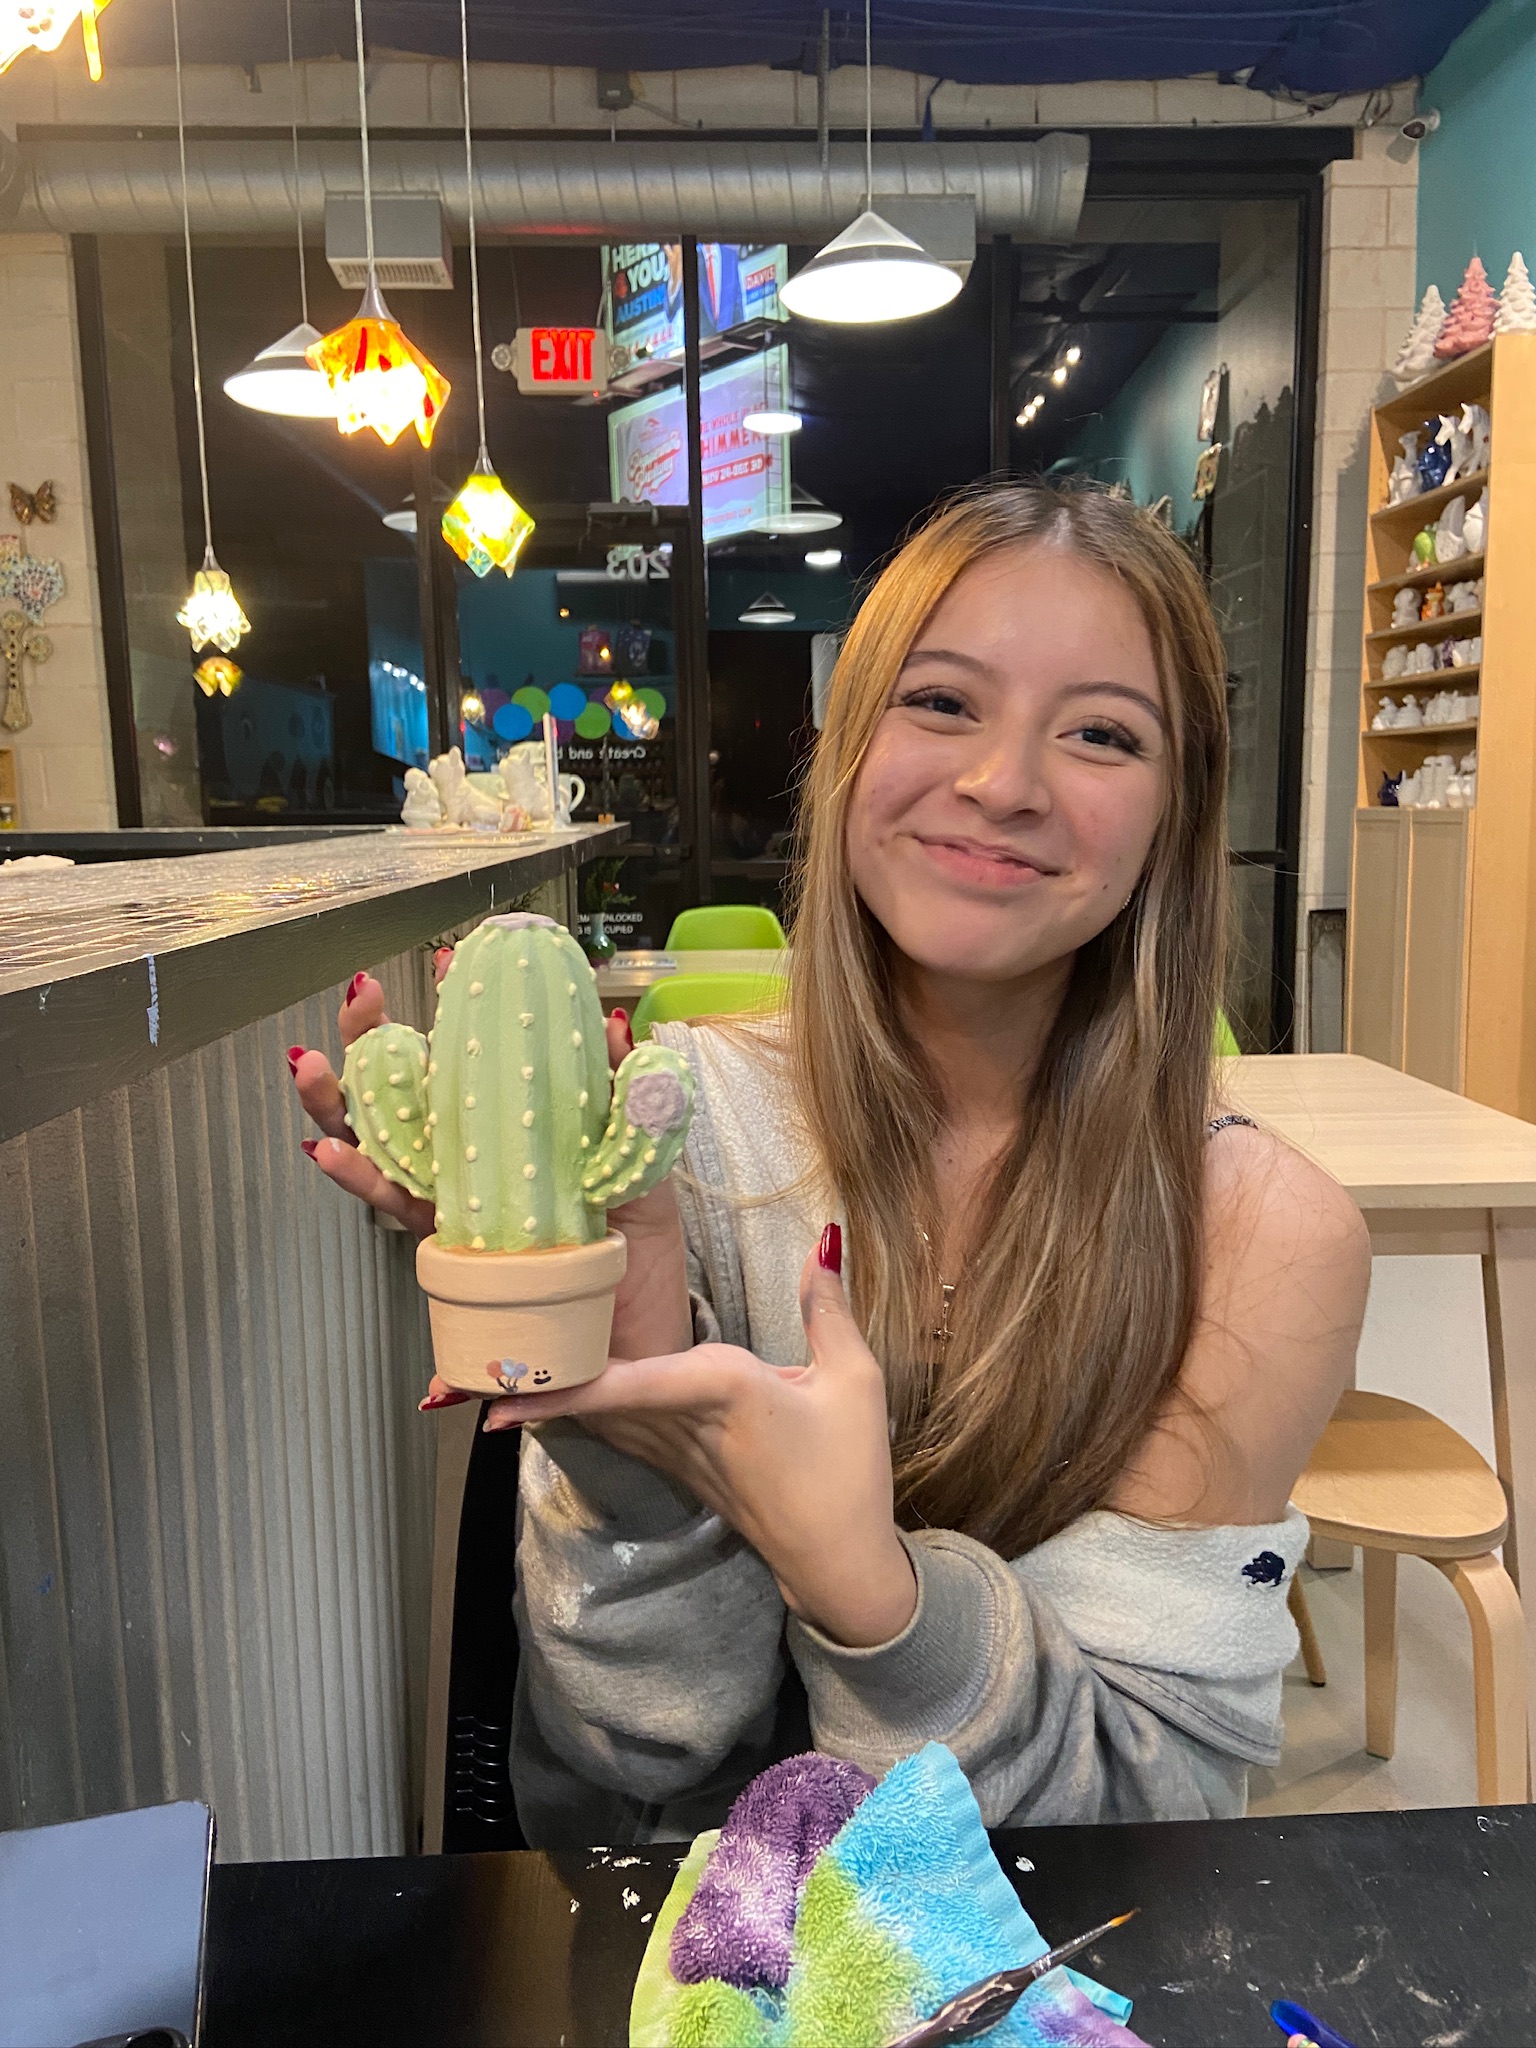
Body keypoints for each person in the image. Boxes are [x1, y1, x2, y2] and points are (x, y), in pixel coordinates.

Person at [295, 484, 1369, 1849]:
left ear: (1179, 810)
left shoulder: (1261, 1234)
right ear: (849, 747)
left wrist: (870, 1592)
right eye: (942, 703)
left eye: (1102, 732)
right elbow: (633, 1764)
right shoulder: (681, 1132)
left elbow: (1145, 1821)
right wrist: (635, 1450)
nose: (1004, 784)